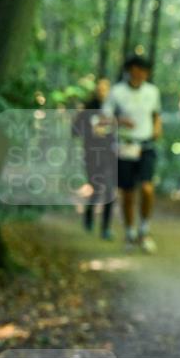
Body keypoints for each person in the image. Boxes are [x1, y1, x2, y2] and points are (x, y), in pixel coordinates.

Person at [102, 56, 163, 254]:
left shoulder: (152, 92)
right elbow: (104, 119)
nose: (139, 74)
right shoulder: (117, 92)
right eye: (136, 69)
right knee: (127, 193)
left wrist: (156, 129)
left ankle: (144, 229)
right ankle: (130, 232)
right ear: (129, 70)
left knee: (147, 188)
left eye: (143, 70)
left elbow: (156, 115)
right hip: (125, 146)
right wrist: (120, 121)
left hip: (146, 146)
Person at [72, 78, 117, 240]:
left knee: (110, 190)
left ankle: (105, 228)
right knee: (97, 188)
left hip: (111, 154)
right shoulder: (88, 108)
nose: (102, 91)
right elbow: (75, 131)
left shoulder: (115, 109)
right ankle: (89, 217)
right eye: (100, 88)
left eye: (105, 88)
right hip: (92, 154)